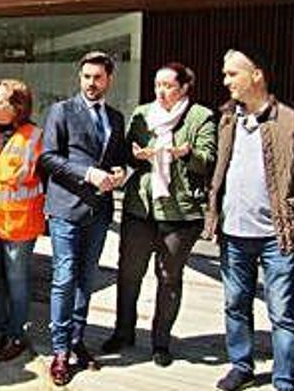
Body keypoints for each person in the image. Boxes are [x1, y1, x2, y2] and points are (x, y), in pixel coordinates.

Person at [205, 48, 294, 391]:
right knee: (235, 306)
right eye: (225, 73)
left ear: (256, 75)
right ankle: (241, 365)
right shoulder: (228, 118)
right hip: (233, 233)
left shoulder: (292, 119)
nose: (225, 80)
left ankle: (284, 379)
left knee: (282, 312)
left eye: (232, 73)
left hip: (278, 236)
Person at [101, 62, 217, 367]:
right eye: (157, 85)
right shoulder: (142, 114)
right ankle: (123, 332)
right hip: (140, 207)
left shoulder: (200, 117)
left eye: (168, 86)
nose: (161, 92)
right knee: (128, 273)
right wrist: (135, 155)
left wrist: (186, 154)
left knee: (168, 278)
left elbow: (208, 160)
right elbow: (126, 153)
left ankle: (161, 342)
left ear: (184, 88)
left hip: (179, 213)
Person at [39, 51, 128, 386]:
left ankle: (77, 340)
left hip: (100, 212)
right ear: (80, 78)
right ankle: (60, 351)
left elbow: (117, 160)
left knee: (86, 279)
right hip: (65, 209)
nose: (92, 83)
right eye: (86, 77)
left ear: (109, 80)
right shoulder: (61, 111)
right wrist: (88, 174)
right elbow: (48, 158)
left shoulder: (116, 118)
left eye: (98, 77)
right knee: (64, 279)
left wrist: (120, 172)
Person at [0, 79, 45, 363]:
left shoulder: (35, 136)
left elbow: (46, 177)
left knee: (17, 283)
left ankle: (15, 334)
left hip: (19, 225)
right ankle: (1, 327)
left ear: (17, 107)